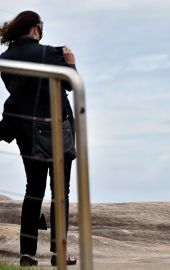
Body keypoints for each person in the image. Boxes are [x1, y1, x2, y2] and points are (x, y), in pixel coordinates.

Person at [0, 11, 77, 266]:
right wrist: (70, 62)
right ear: (35, 29)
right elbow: (70, 84)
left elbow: (18, 92)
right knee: (60, 193)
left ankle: (27, 254)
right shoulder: (51, 54)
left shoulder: (5, 59)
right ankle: (59, 253)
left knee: (33, 191)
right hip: (57, 128)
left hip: (26, 132)